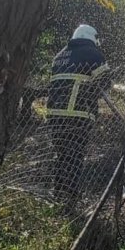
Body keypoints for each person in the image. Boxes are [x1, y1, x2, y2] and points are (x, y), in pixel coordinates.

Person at [46, 24, 111, 203]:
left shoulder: (60, 55)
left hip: (54, 115)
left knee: (61, 155)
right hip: (77, 114)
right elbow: (105, 82)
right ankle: (72, 196)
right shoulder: (92, 53)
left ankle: (58, 193)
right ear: (92, 37)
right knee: (75, 155)